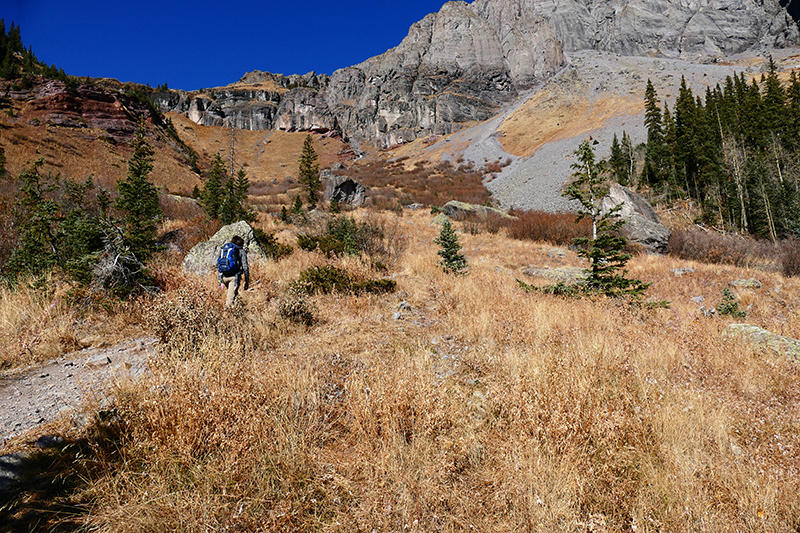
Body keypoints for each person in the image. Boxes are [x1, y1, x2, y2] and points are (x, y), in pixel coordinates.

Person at [217, 235, 249, 308]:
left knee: (234, 294)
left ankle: (240, 310)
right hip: (234, 278)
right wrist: (247, 280)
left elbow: (219, 265)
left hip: (223, 277)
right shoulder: (241, 251)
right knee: (229, 302)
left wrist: (220, 281)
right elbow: (245, 267)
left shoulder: (225, 250)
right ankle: (226, 317)